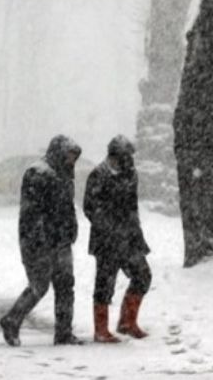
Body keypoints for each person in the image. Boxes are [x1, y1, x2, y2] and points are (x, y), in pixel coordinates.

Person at [0, 135, 85, 346]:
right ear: (59, 153)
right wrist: (38, 240)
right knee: (39, 285)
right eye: (69, 156)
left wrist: (72, 228)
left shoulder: (64, 175)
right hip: (40, 242)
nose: (72, 160)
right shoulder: (37, 174)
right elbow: (31, 213)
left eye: (74, 157)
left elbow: (67, 207)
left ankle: (64, 332)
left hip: (61, 240)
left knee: (65, 286)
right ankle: (11, 320)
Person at [83, 135, 152, 343]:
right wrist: (110, 228)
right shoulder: (99, 175)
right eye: (126, 156)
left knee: (143, 276)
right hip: (107, 241)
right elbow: (90, 208)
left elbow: (132, 206)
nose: (130, 160)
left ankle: (127, 322)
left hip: (130, 238)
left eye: (131, 156)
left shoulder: (131, 174)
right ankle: (101, 330)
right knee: (105, 284)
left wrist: (135, 233)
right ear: (115, 155)